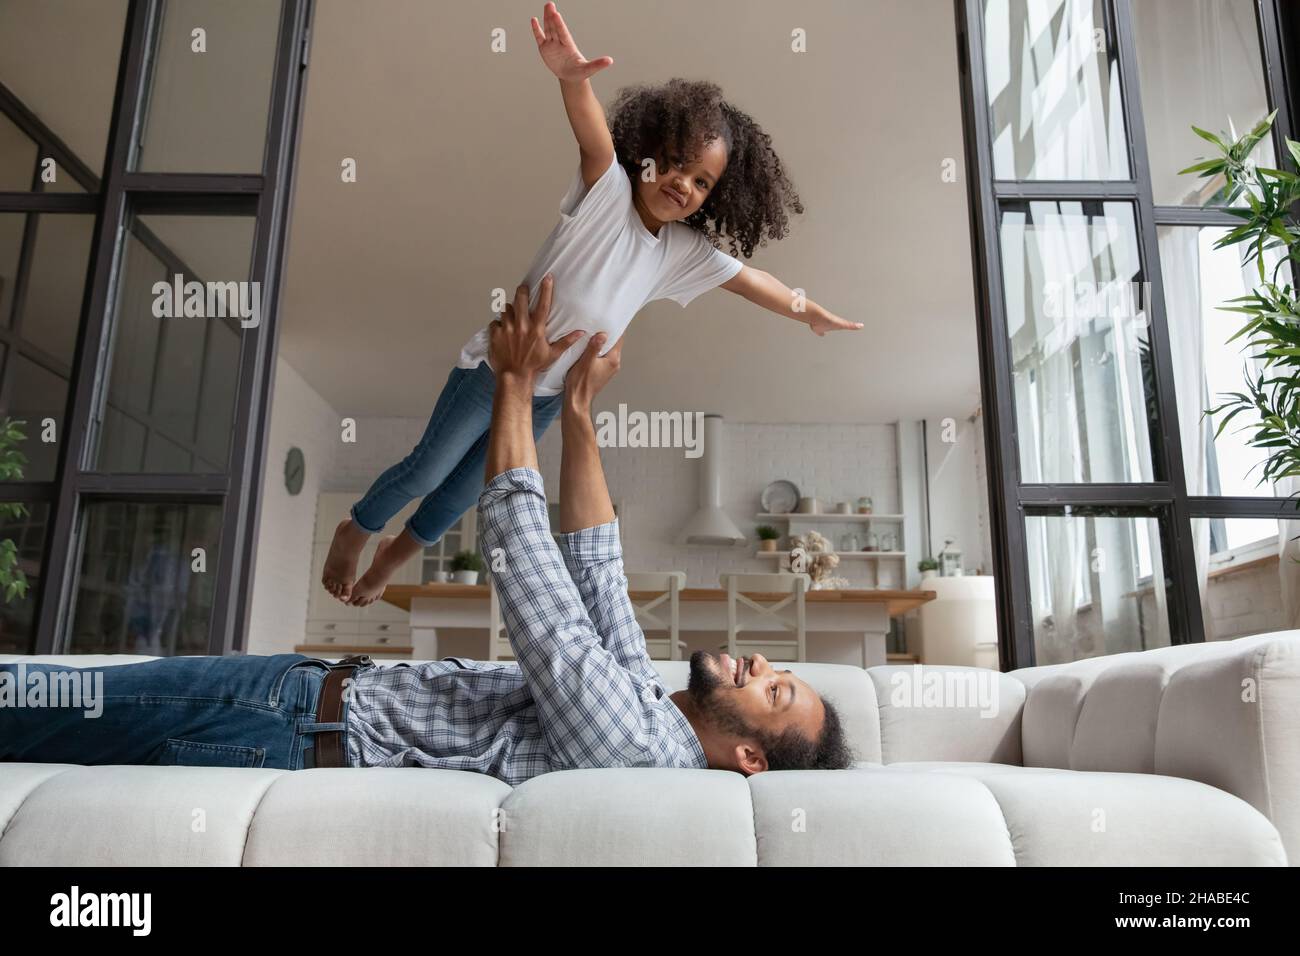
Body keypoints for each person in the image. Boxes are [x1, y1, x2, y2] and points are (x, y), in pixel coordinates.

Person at [0, 280, 854, 782]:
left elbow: (540, 602)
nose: (759, 661)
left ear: (749, 758)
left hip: (280, 730)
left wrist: (519, 384)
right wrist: (583, 415)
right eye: (779, 669)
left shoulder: (640, 755)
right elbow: (594, 574)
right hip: (303, 699)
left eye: (774, 690)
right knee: (48, 704)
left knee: (41, 713)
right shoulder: (655, 716)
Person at [322, 1, 862, 607]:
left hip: (548, 398)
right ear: (648, 154)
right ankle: (357, 528)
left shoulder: (679, 251)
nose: (683, 184)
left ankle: (390, 562)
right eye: (676, 164)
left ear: (714, 196)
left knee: (462, 494)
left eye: (702, 181)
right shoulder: (606, 193)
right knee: (427, 471)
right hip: (496, 370)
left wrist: (805, 308)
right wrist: (571, 79)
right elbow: (591, 134)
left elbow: (748, 280)